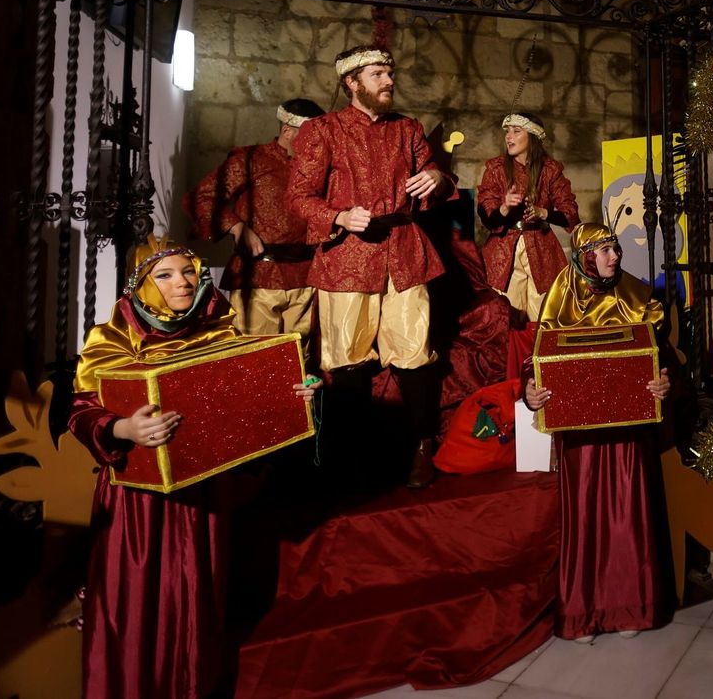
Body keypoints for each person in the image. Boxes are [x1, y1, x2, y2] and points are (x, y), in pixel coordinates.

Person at [69, 238, 316, 699]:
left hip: (204, 495)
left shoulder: (220, 329)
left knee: (196, 602)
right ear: (140, 286)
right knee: (138, 608)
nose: (180, 283)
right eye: (164, 275)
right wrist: (123, 429)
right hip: (139, 506)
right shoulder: (112, 336)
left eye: (187, 272)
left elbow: (247, 400)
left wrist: (293, 395)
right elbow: (82, 411)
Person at [287, 44, 454, 488]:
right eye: (378, 73)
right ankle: (352, 461)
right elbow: (298, 198)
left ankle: (422, 449)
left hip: (404, 253)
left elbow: (437, 177)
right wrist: (338, 216)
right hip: (347, 258)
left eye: (389, 72)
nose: (389, 80)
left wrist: (437, 179)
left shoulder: (409, 129)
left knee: (415, 356)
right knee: (348, 361)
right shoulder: (322, 130)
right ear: (352, 82)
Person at [522, 222, 673, 643]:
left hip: (627, 427)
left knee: (628, 510)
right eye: (604, 250)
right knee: (585, 512)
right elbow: (538, 355)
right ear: (585, 255)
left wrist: (665, 379)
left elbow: (661, 354)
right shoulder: (561, 293)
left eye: (615, 248)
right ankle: (583, 609)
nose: (614, 257)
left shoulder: (638, 294)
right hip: (580, 431)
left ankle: (630, 604)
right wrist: (529, 389)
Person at [184, 97, 325, 337]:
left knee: (300, 362)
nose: (316, 145)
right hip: (258, 277)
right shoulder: (250, 160)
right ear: (287, 131)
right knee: (257, 360)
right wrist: (237, 227)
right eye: (311, 137)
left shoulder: (318, 168)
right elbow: (202, 197)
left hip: (305, 278)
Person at [476, 111, 579, 323]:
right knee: (507, 315)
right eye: (507, 131)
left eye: (516, 131)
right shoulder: (496, 169)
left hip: (542, 251)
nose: (508, 136)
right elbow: (486, 213)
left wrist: (544, 213)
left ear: (531, 136)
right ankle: (513, 356)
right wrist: (504, 207)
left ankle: (538, 356)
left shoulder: (550, 170)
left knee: (544, 314)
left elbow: (570, 212)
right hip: (504, 251)